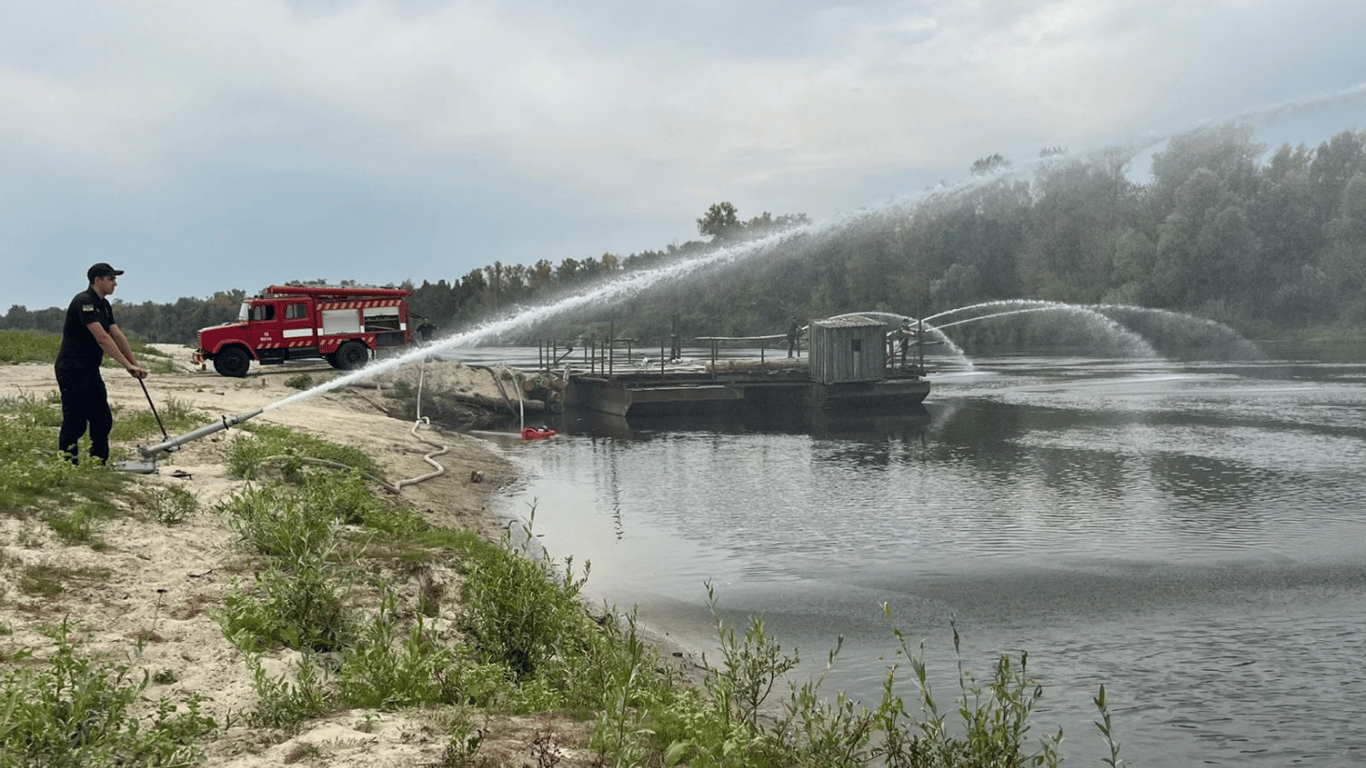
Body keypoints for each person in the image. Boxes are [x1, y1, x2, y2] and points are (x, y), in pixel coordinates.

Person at [55, 262, 148, 465]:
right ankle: (67, 464)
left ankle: (99, 463)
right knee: (76, 420)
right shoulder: (84, 301)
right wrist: (126, 365)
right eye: (111, 279)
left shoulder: (104, 305)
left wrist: (135, 364)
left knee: (102, 418)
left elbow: (117, 336)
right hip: (71, 367)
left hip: (90, 368)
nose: (115, 283)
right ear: (98, 280)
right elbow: (103, 338)